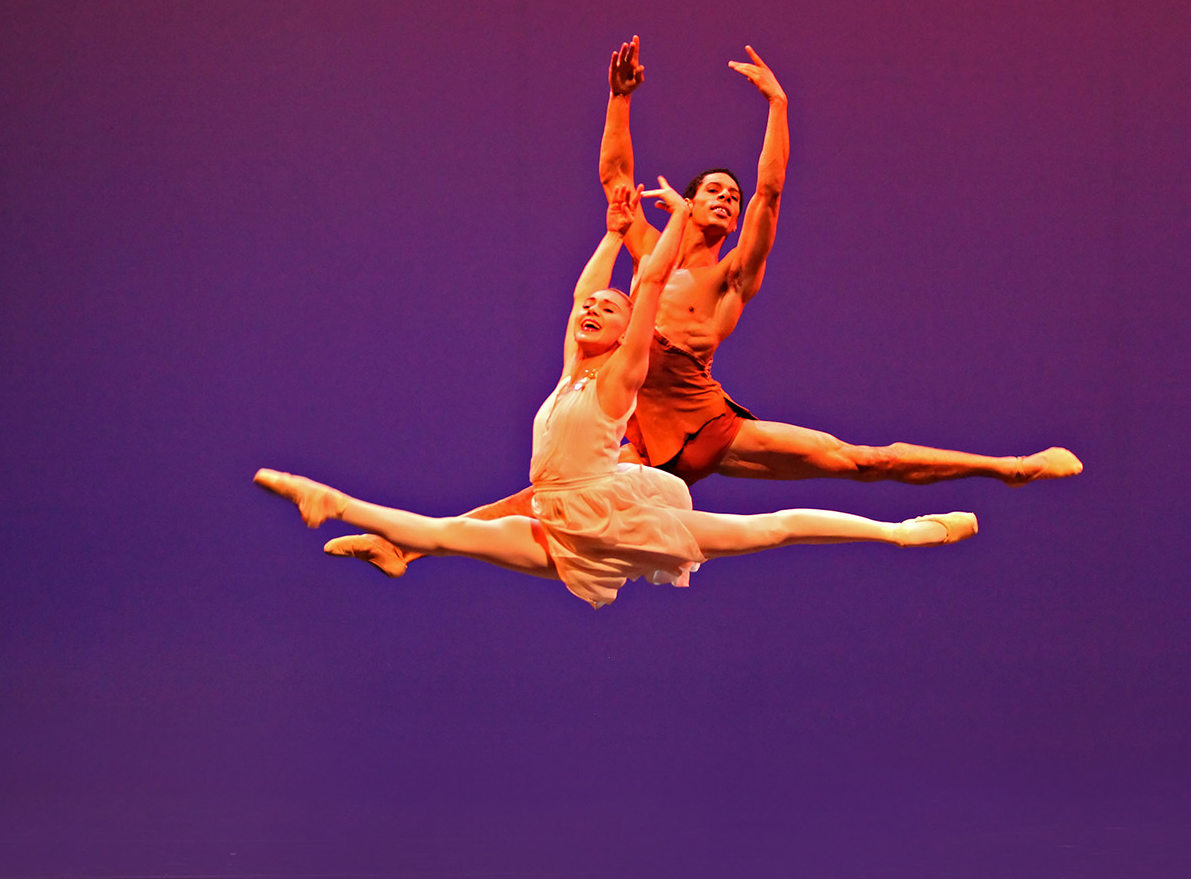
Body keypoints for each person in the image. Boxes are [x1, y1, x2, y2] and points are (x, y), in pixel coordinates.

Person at [323, 38, 1079, 578]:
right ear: (691, 198)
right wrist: (620, 100)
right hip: (635, 425)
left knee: (857, 460)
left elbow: (773, 192)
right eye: (714, 189)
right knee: (542, 500)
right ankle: (406, 548)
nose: (726, 198)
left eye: (732, 194)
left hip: (703, 417)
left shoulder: (730, 279)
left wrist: (779, 107)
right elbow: (616, 178)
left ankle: (1008, 468)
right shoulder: (654, 244)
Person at [257, 182, 976, 608]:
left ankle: (906, 532)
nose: (592, 310)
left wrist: (683, 225)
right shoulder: (573, 368)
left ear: (630, 325)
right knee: (448, 534)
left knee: (774, 526)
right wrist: (608, 236)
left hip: (611, 510)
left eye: (609, 306)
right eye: (588, 310)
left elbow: (652, 284)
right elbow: (580, 294)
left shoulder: (619, 376)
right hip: (559, 513)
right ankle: (365, 528)